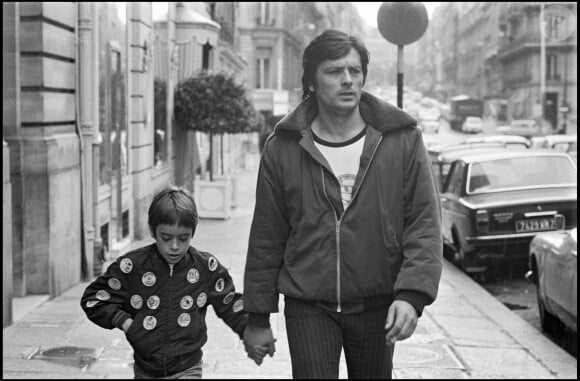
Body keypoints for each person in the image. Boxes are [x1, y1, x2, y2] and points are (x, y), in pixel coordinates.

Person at [242, 29, 443, 379]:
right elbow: (266, 235)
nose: (348, 80)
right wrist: (258, 318)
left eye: (355, 70)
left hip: (377, 300)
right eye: (335, 71)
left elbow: (424, 222)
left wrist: (412, 294)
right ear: (312, 80)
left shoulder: (402, 138)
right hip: (309, 303)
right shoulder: (283, 146)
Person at [80, 186, 267, 379]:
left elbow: (229, 303)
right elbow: (93, 299)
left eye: (183, 238)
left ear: (192, 233)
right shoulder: (132, 266)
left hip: (188, 367)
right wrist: (127, 323)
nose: (175, 247)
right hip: (146, 370)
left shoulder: (206, 267)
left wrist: (252, 330)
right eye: (166, 238)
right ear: (153, 231)